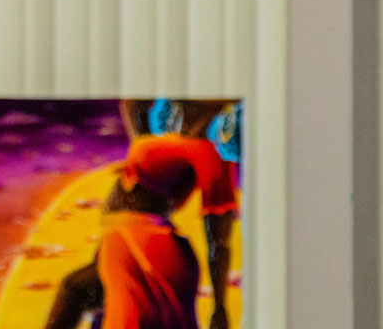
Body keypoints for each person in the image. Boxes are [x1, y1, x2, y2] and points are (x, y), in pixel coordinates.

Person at [45, 100, 239, 329]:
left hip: (146, 246)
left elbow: (218, 237)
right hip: (120, 243)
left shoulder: (209, 153)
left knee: (79, 292)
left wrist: (220, 307)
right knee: (92, 305)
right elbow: (133, 104)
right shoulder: (156, 140)